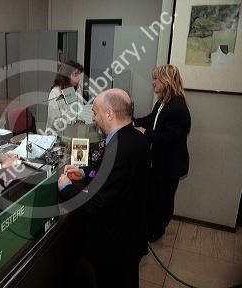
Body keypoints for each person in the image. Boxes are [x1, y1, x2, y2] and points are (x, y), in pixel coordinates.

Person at [58, 88, 149, 287]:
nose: (94, 117)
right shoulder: (137, 139)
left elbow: (96, 205)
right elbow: (115, 178)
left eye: (95, 112)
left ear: (109, 113)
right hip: (130, 237)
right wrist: (85, 173)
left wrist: (66, 187)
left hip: (115, 246)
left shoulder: (117, 149)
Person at [134, 64, 191, 242]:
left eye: (156, 79)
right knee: (153, 196)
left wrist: (145, 133)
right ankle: (151, 226)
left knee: (164, 199)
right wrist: (132, 121)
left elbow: (168, 138)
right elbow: (151, 120)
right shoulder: (162, 102)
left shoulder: (178, 108)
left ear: (166, 81)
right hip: (157, 161)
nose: (153, 82)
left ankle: (157, 231)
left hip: (170, 165)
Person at [46, 60, 85, 133]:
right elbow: (54, 121)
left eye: (79, 75)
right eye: (75, 75)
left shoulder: (77, 89)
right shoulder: (55, 93)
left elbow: (80, 109)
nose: (79, 78)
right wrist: (72, 122)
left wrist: (81, 120)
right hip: (56, 135)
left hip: (74, 131)